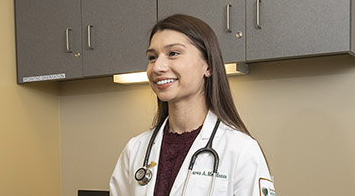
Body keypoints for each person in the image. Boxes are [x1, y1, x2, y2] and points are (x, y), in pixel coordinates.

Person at [110, 14, 274, 196]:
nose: (157, 67)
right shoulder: (135, 149)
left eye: (173, 53)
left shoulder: (241, 150)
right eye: (152, 57)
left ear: (208, 66)